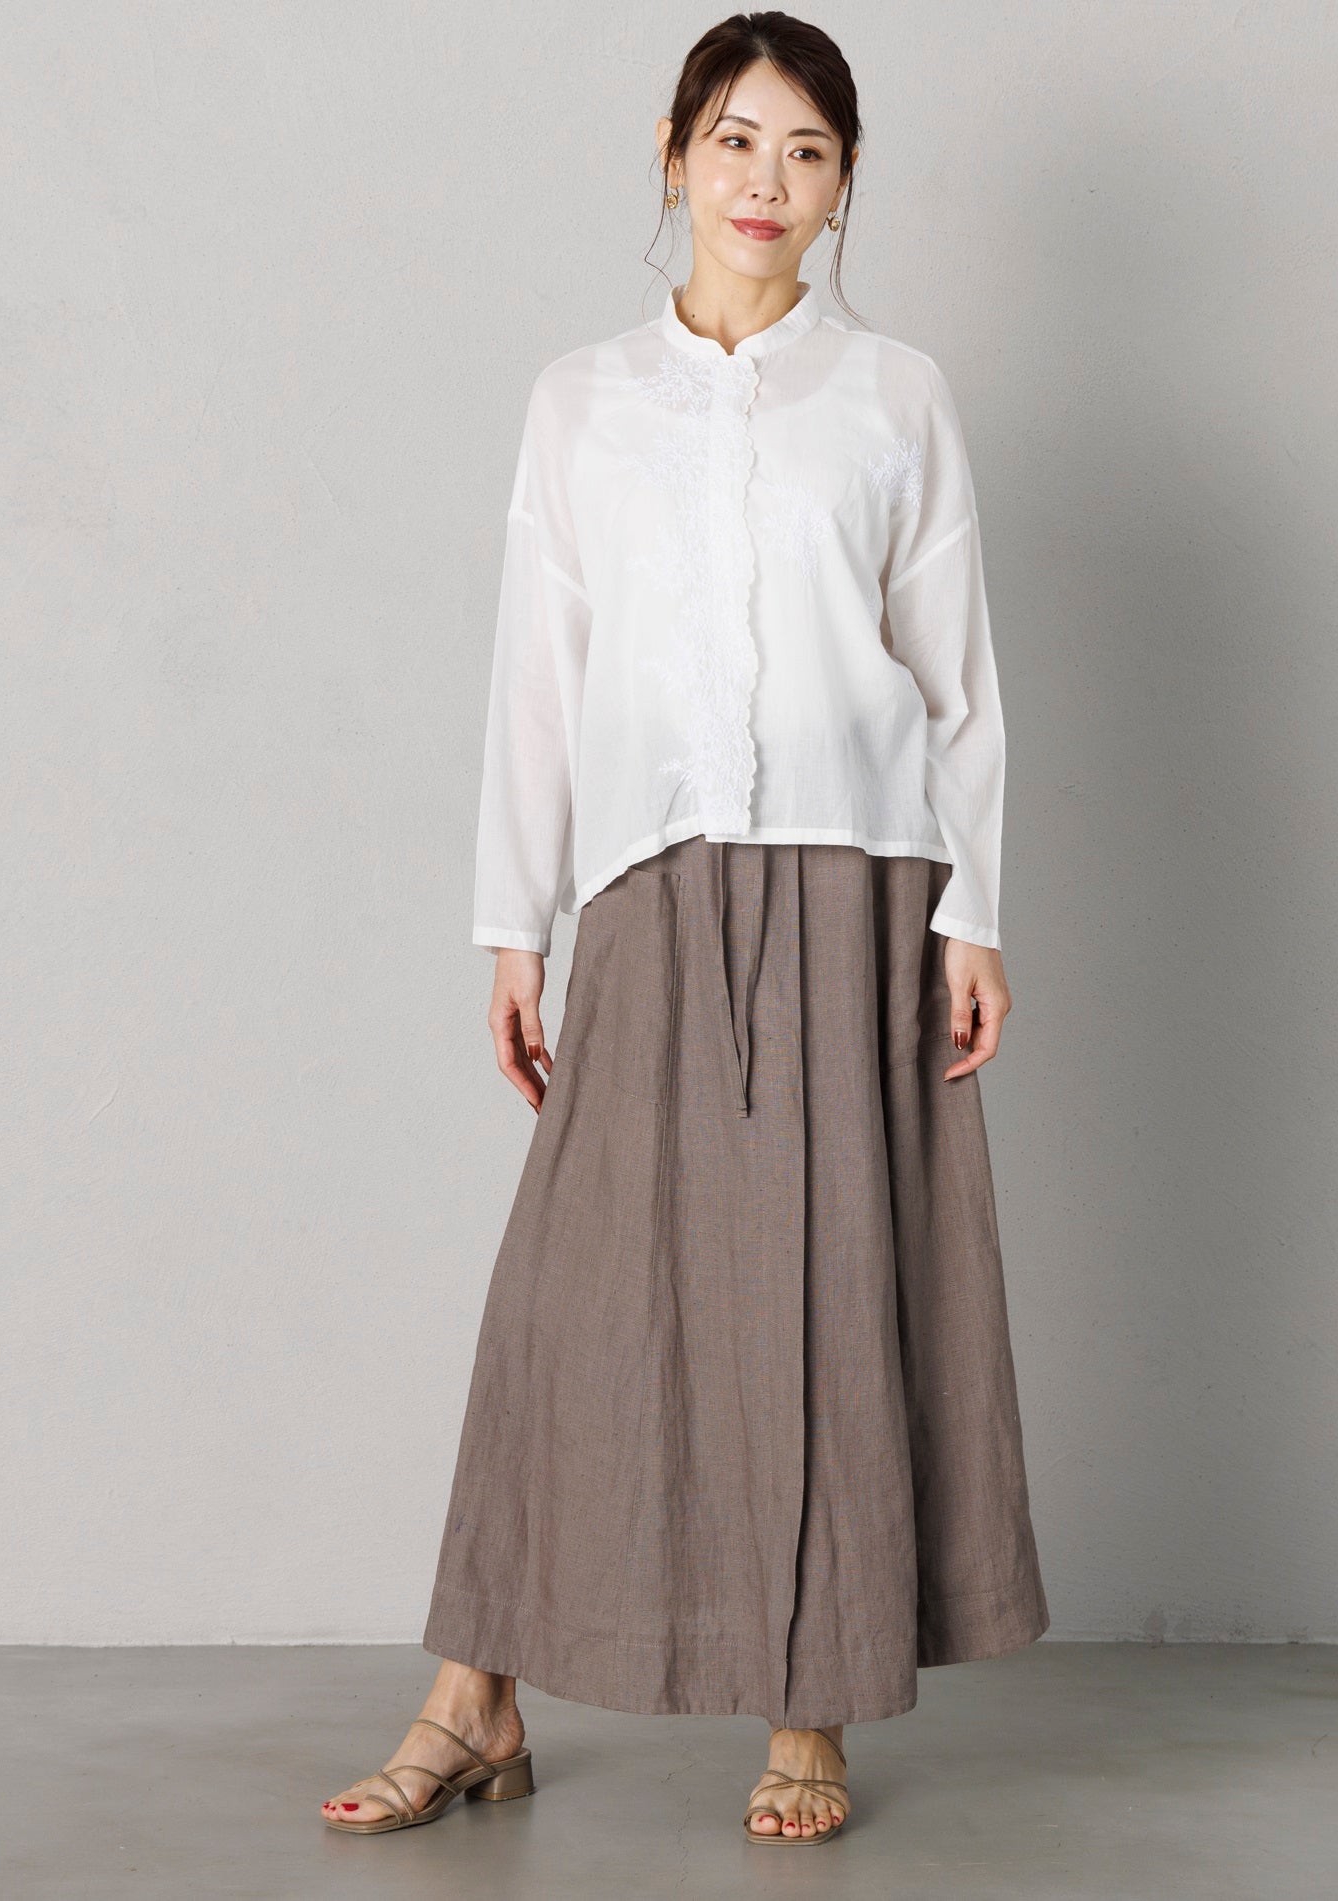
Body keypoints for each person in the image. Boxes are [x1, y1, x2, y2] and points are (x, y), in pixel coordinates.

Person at [321, 10, 1048, 1847]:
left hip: (856, 878)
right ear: (672, 154)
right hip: (646, 879)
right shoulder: (581, 400)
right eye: (735, 140)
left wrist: (971, 909)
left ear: (844, 186)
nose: (764, 182)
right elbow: (540, 672)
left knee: (829, 1286)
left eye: (805, 152)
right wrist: (515, 922)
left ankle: (810, 1709)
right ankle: (474, 1695)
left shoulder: (893, 397)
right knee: (571, 1302)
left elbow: (955, 678)